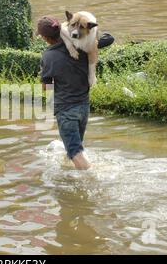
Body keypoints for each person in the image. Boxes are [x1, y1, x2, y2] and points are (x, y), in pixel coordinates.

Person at [37, 16, 114, 169]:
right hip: (83, 107)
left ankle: (93, 177)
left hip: (66, 110)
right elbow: (109, 38)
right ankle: (69, 169)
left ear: (44, 37)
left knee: (75, 152)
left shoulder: (48, 57)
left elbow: (47, 88)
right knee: (75, 147)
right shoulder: (82, 45)